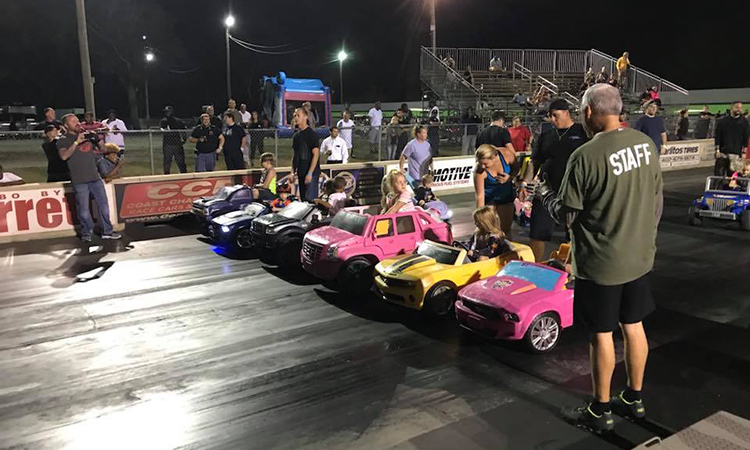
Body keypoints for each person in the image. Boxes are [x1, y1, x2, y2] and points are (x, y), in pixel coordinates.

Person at [536, 84, 662, 433]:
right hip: (638, 256)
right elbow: (656, 200)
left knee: (602, 334)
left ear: (589, 111)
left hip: (602, 262)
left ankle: (600, 408)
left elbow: (568, 215)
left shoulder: (586, 156)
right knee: (634, 327)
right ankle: (634, 399)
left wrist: (544, 194)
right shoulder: (645, 145)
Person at [524, 99, 589, 262]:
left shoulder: (583, 132)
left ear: (566, 112)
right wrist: (525, 183)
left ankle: (573, 272)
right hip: (547, 191)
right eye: (550, 116)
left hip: (575, 193)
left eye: (555, 115)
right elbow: (535, 162)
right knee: (537, 233)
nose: (552, 119)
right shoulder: (546, 136)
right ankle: (534, 269)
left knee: (573, 235)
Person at [57, 114, 121, 242]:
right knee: (84, 210)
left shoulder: (87, 135)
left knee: (103, 206)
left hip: (95, 177)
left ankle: (107, 232)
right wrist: (76, 142)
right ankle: (86, 233)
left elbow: (103, 150)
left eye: (77, 120)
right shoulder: (63, 140)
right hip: (79, 180)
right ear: (66, 125)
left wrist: (98, 140)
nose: (77, 122)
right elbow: (64, 157)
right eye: (72, 121)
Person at [474, 144, 517, 240]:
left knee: (505, 231)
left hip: (506, 197)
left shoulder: (507, 154)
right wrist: (479, 216)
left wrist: (510, 177)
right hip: (489, 200)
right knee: (489, 231)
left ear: (494, 157)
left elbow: (516, 169)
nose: (482, 166)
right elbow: (480, 196)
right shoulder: (479, 171)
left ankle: (507, 252)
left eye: (485, 163)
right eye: (479, 163)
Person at [291, 108, 321, 202]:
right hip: (301, 172)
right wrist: (292, 172)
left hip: (311, 173)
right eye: (295, 115)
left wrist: (310, 173)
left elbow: (315, 155)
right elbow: (295, 155)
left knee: (311, 201)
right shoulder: (296, 136)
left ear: (305, 117)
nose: (296, 117)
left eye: (298, 115)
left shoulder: (312, 134)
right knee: (303, 200)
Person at [714, 101, 750, 176]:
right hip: (723, 153)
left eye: (740, 108)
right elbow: (718, 136)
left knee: (733, 175)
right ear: (731, 108)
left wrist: (744, 152)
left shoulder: (744, 122)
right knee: (718, 174)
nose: (739, 109)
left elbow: (746, 138)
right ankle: (717, 187)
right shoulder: (722, 121)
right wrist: (717, 150)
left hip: (736, 153)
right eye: (737, 107)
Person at [159, 106, 187, 174]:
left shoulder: (177, 121)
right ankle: (167, 175)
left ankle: (184, 175)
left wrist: (184, 139)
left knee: (180, 161)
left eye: (168, 111)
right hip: (168, 144)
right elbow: (162, 129)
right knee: (167, 161)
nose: (167, 113)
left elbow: (183, 130)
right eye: (166, 112)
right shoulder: (164, 121)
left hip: (177, 143)